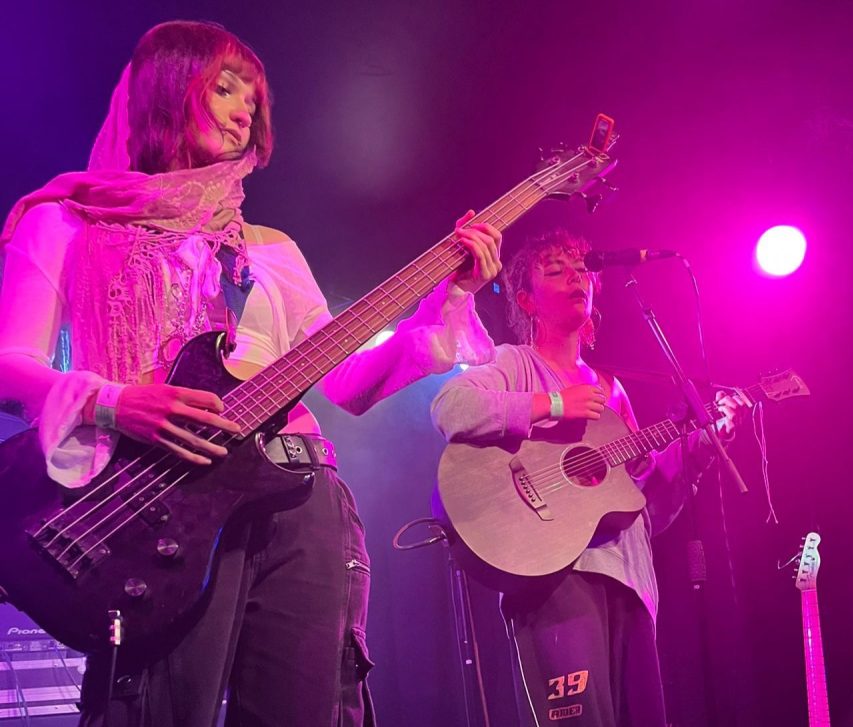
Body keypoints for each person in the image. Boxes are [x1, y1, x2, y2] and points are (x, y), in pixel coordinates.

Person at [0, 20, 501, 727]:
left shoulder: (271, 251)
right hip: (161, 503)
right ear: (167, 87)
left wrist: (446, 303)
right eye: (227, 88)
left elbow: (351, 385)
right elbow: (9, 368)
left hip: (299, 494)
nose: (245, 113)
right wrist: (114, 403)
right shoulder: (67, 221)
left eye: (254, 101)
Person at [431, 229, 743, 726]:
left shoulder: (613, 392)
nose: (576, 277)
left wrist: (699, 449)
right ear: (527, 301)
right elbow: (451, 406)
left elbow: (640, 506)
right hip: (554, 575)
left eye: (581, 270)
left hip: (630, 582)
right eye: (556, 271)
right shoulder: (514, 363)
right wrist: (555, 403)